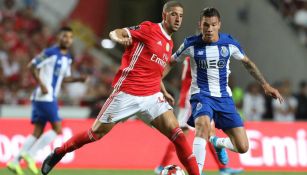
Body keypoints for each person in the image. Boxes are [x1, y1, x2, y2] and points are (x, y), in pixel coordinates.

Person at [41, 1, 200, 175]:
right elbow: (117, 32)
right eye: (174, 14)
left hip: (152, 96)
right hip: (127, 93)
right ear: (164, 15)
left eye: (181, 16)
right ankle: (60, 151)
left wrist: (163, 90)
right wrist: (117, 37)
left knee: (178, 135)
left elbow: (154, 71)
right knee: (95, 134)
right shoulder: (149, 28)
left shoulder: (169, 43)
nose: (178, 19)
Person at [167, 7, 284, 175]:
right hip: (201, 95)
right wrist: (156, 82)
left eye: (213, 25)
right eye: (206, 25)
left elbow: (248, 63)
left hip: (224, 98)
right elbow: (171, 61)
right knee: (202, 126)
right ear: (200, 24)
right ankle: (196, 172)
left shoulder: (229, 44)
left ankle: (217, 142)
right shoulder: (190, 43)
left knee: (242, 146)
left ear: (219, 25)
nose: (209, 29)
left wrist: (265, 84)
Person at [6, 26, 87, 175]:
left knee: (37, 131)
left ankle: (15, 161)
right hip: (44, 96)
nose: (67, 39)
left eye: (69, 37)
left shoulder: (67, 57)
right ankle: (31, 154)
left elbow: (64, 78)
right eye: (64, 36)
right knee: (58, 128)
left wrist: (78, 79)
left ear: (72, 40)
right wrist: (42, 84)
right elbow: (32, 66)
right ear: (58, 38)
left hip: (48, 97)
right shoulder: (50, 52)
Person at [155, 57, 243, 175]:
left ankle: (222, 168)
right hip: (190, 98)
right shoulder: (194, 55)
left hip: (201, 98)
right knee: (180, 134)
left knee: (208, 133)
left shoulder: (196, 54)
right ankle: (162, 166)